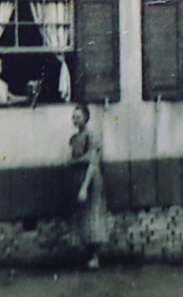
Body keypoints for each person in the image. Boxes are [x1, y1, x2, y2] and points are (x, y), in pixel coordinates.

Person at [69, 104, 107, 269]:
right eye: (74, 117)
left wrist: (84, 186)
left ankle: (95, 256)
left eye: (78, 117)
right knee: (83, 215)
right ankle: (88, 253)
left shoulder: (92, 136)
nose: (76, 120)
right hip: (78, 176)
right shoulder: (74, 138)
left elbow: (92, 161)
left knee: (93, 214)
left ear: (86, 117)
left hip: (90, 178)